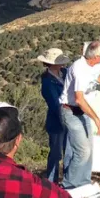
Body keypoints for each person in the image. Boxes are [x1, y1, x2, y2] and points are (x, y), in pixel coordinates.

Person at [60, 41, 100, 189]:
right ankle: (68, 186)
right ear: (96, 56)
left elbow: (97, 76)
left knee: (89, 150)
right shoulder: (79, 69)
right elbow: (79, 99)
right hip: (71, 111)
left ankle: (83, 183)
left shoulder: (91, 65)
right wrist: (97, 120)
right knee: (82, 151)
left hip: (81, 112)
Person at [38, 48, 71, 182]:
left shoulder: (65, 72)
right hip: (57, 120)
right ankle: (52, 182)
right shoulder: (47, 82)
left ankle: (68, 180)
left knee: (69, 152)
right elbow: (54, 103)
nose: (62, 64)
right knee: (56, 153)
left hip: (69, 116)